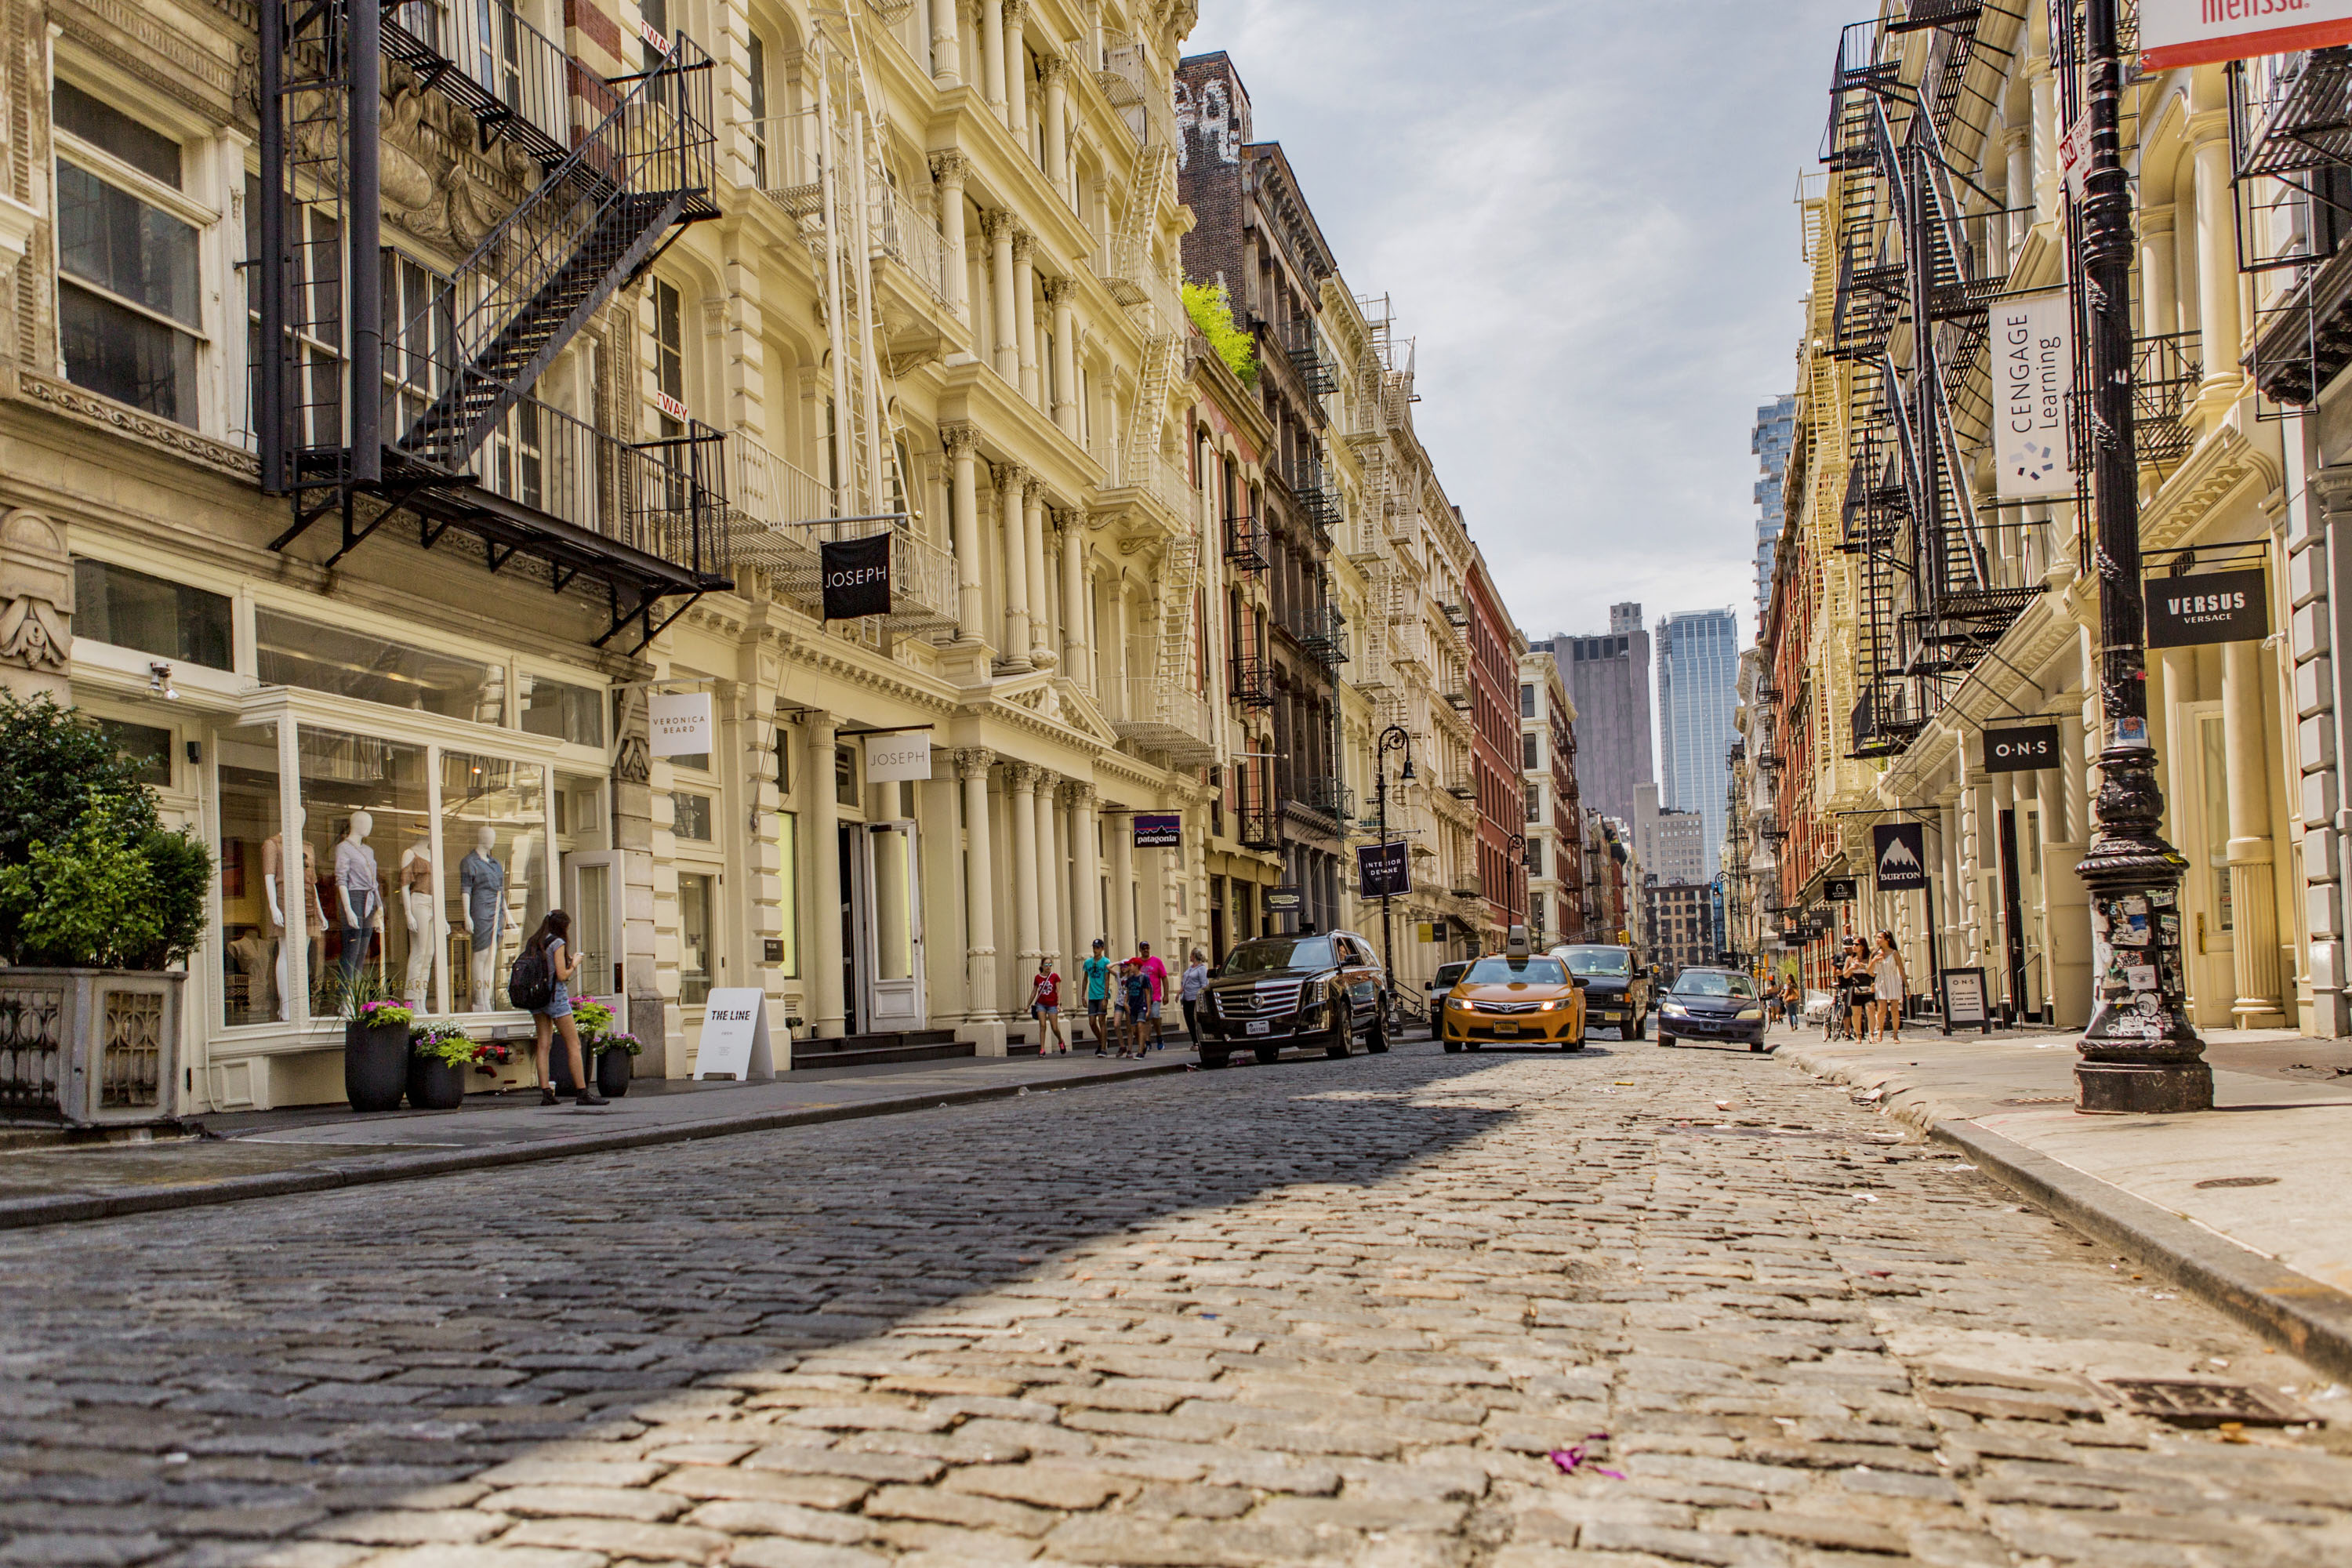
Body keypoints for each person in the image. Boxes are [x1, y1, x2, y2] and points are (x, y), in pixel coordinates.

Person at [524, 909, 605, 1107]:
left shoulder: (534, 941)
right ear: (563, 927)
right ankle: (582, 1092)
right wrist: (575, 963)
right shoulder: (557, 943)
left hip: (537, 998)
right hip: (556, 998)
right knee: (574, 1044)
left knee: (543, 1044)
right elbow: (562, 975)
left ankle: (546, 1093)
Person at [1871, 930, 1908, 1042]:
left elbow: (1901, 969)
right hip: (1881, 981)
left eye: (1880, 938)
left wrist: (1907, 986)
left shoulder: (1894, 953)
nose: (1877, 940)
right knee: (1882, 1009)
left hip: (1892, 980)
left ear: (1887, 939)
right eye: (1876, 938)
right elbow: (1871, 970)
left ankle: (1895, 1034)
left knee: (1894, 1008)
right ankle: (1881, 1029)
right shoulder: (1875, 953)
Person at [1082, 938, 1112, 1055]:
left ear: (1102, 949)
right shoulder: (1088, 962)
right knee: (1091, 1022)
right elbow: (1085, 979)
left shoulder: (1106, 962)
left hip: (1101, 995)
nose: (1095, 950)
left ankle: (1104, 1048)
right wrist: (1082, 996)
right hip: (1092, 995)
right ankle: (1102, 1041)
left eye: (1098, 947)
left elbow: (1107, 979)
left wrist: (1105, 997)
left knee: (1102, 1020)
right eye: (1094, 947)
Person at [1137, 941, 1170, 1050]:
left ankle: (1159, 1037)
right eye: (1143, 948)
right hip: (1142, 997)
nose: (1146, 950)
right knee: (1146, 1019)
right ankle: (1148, 1041)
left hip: (1155, 995)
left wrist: (1166, 995)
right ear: (1140, 950)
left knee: (1155, 1015)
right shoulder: (1138, 963)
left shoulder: (1157, 961)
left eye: (1147, 948)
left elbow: (1164, 978)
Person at [1117, 957, 1152, 1058]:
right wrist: (1125, 1003)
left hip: (1142, 1005)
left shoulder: (1144, 978)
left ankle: (1140, 1052)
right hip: (1132, 1007)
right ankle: (1143, 1045)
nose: (1129, 967)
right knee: (1135, 1030)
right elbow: (1127, 992)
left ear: (1136, 966)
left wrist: (1148, 1009)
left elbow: (1148, 994)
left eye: (1130, 965)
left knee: (1141, 1026)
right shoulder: (1130, 979)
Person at [1030, 956, 1065, 1054]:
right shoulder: (1038, 978)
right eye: (1046, 964)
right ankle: (1042, 1049)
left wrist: (1058, 1004)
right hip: (1041, 1004)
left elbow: (1058, 991)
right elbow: (1034, 992)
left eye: (1050, 964)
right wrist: (1028, 1004)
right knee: (1042, 1025)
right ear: (1042, 965)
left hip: (1052, 1005)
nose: (1048, 967)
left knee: (1055, 1028)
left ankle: (1060, 1041)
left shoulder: (1055, 977)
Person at [1841, 939, 1874, 1041]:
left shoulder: (1869, 958)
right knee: (1856, 1013)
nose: (1853, 946)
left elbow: (1874, 973)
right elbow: (1845, 975)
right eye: (1853, 944)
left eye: (1856, 944)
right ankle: (1858, 1035)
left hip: (1868, 986)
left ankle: (1871, 1034)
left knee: (1870, 1009)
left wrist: (1864, 966)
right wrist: (1851, 969)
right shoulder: (1850, 959)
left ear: (1863, 946)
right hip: (1855, 987)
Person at [1179, 947, 1211, 1045]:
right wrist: (1180, 992)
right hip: (1186, 998)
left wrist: (1202, 997)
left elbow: (1203, 984)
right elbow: (1185, 981)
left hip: (1195, 998)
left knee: (1195, 1020)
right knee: (1188, 1019)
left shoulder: (1202, 969)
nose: (1190, 956)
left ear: (1194, 956)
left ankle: (1198, 1040)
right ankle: (1194, 1040)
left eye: (1191, 955)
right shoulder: (1190, 968)